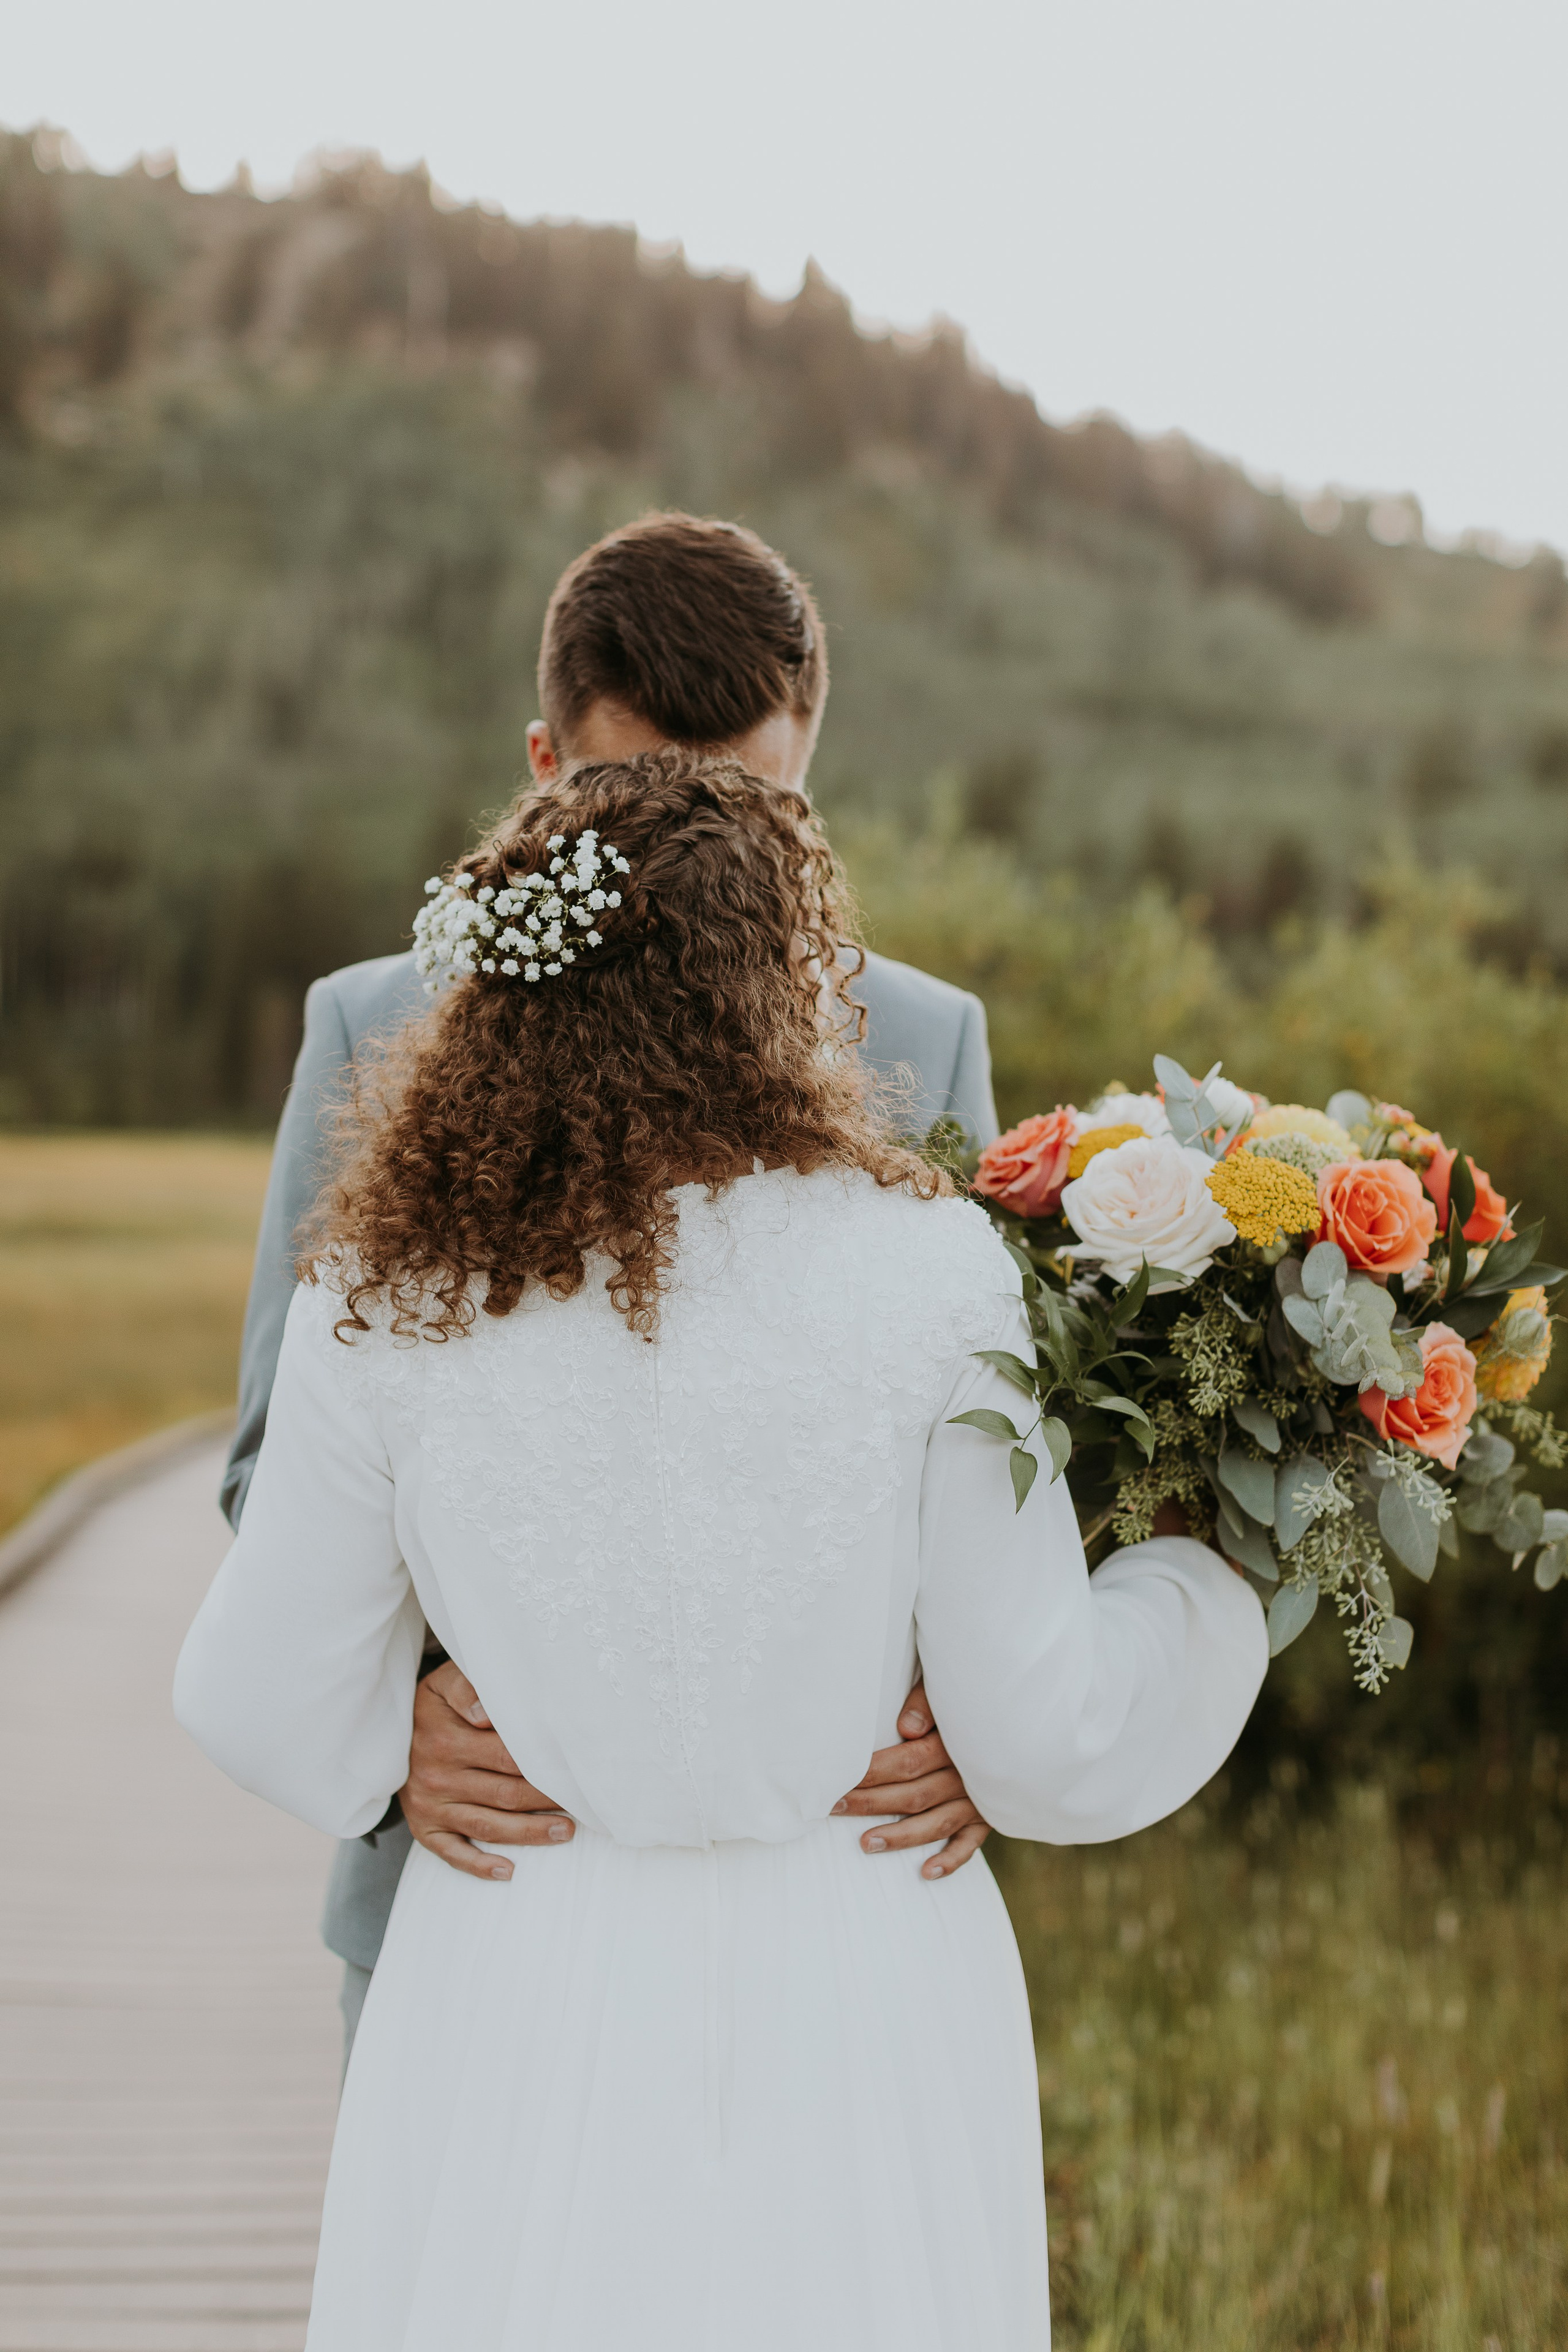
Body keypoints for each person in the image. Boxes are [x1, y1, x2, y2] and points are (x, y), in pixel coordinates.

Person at [176, 750, 1265, 2350]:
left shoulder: (386, 1291)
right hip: (862, 1974)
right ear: (788, 984)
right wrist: (1204, 1584)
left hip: (514, 1972)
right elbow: (1043, 1738)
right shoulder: (933, 1272)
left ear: (512, 989)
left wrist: (399, 1742)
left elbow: (253, 1693)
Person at [224, 514, 1002, 2058]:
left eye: (753, 810)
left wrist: (990, 1724)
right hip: (480, 1875)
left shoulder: (917, 1043)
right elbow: (271, 1460)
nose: (687, 856)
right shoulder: (376, 1024)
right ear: (540, 762)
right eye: (630, 796)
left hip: (828, 1910)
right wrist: (392, 1737)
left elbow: (988, 1471)